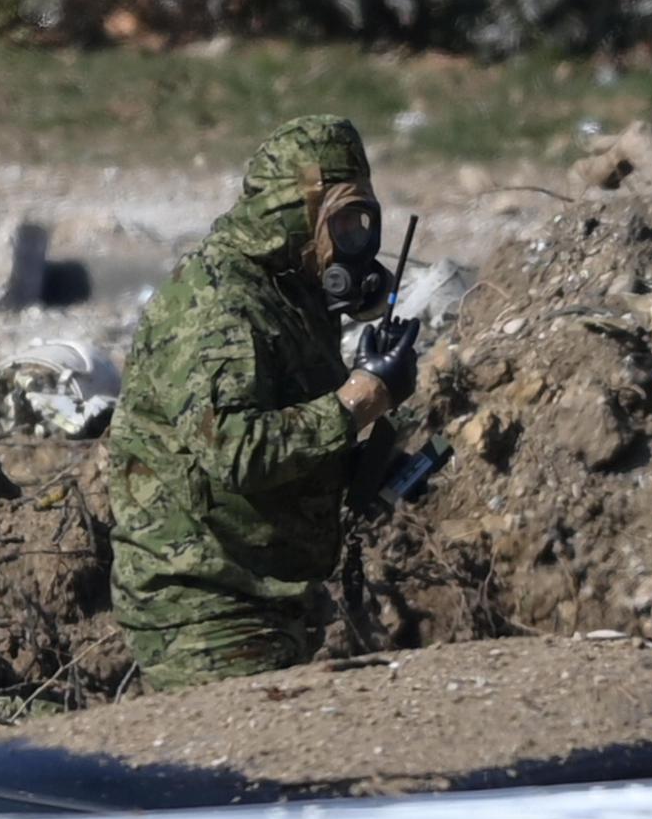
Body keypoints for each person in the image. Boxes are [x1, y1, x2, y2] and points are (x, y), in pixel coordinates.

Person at [107, 115, 420, 691]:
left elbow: (294, 433)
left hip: (276, 599)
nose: (354, 244)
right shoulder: (222, 303)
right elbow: (234, 451)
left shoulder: (293, 292)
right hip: (205, 607)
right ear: (293, 216)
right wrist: (356, 401)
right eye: (341, 223)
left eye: (363, 223)